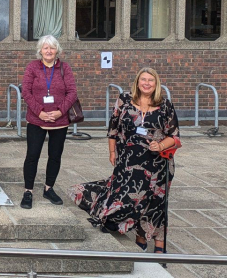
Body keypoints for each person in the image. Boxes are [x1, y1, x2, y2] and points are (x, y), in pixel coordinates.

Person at [69, 67, 180, 254]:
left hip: (156, 164)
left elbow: (174, 135)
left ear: (156, 84)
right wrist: (112, 152)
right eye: (143, 79)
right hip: (128, 161)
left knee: (156, 203)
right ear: (137, 82)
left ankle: (158, 242)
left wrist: (160, 146)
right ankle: (137, 233)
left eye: (151, 80)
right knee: (130, 199)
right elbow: (113, 128)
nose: (146, 83)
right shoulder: (125, 99)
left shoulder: (165, 104)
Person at [20, 35, 77, 210]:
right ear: (40, 50)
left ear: (57, 50)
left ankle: (48, 188)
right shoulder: (33, 67)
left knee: (55, 156)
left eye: (52, 48)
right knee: (32, 156)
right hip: (37, 120)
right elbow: (26, 92)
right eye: (45, 48)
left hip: (60, 121)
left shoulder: (64, 68)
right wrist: (41, 112)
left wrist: (60, 111)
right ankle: (28, 191)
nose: (49, 51)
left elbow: (72, 92)